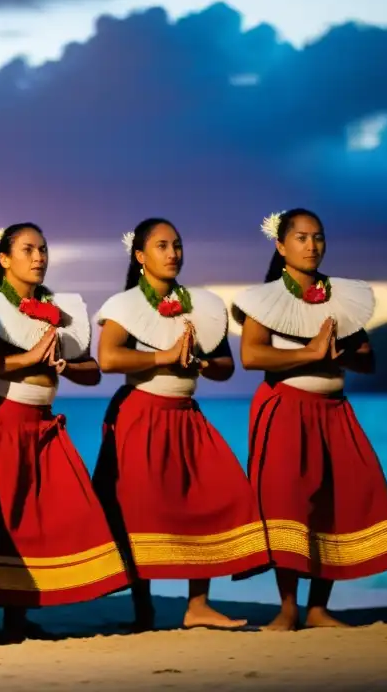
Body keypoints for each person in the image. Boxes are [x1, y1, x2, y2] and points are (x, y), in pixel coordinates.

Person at [234, 208, 387, 630]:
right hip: (285, 407)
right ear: (281, 246)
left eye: (318, 237)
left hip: (334, 410)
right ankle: (288, 608)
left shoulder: (343, 298)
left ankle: (318, 609)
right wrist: (308, 353)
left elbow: (366, 361)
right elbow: (252, 355)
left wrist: (342, 352)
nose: (311, 245)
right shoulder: (264, 300)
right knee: (288, 504)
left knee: (337, 499)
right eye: (301, 237)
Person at [0, 223, 128, 639]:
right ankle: (12, 619)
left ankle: (31, 608)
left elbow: (91, 373)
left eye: (43, 249)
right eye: (28, 249)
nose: (38, 257)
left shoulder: (63, 312)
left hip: (43, 423)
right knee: (4, 519)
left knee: (58, 513)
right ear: (4, 259)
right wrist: (29, 358)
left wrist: (63, 365)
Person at [92, 219, 270, 631]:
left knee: (216, 494)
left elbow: (225, 367)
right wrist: (163, 357)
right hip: (141, 414)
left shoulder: (204, 307)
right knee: (138, 509)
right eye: (161, 246)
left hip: (186, 414)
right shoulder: (124, 306)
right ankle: (143, 609)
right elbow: (109, 359)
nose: (173, 253)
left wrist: (200, 362)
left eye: (177, 245)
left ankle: (198, 605)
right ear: (140, 256)